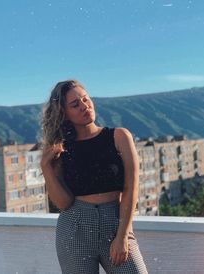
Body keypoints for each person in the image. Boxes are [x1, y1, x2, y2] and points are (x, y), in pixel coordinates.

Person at [40, 79, 148, 274]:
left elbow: (131, 189)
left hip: (114, 224)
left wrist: (123, 235)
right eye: (75, 104)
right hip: (74, 228)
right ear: (64, 113)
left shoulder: (119, 136)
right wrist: (45, 166)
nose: (84, 106)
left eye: (85, 99)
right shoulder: (62, 148)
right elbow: (63, 203)